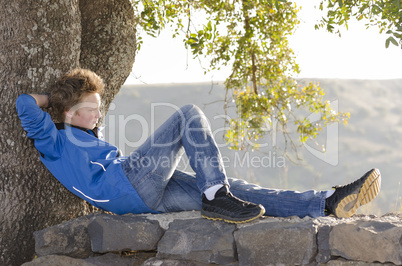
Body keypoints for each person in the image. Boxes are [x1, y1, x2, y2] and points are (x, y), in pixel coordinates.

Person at [16, 68, 381, 223]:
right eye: (89, 109)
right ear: (66, 111)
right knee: (187, 114)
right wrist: (59, 97)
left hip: (141, 195)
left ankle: (326, 204)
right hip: (127, 184)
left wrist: (77, 105)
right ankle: (214, 193)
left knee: (241, 193)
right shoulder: (56, 140)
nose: (97, 114)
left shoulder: (84, 138)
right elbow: (24, 104)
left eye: (99, 107)